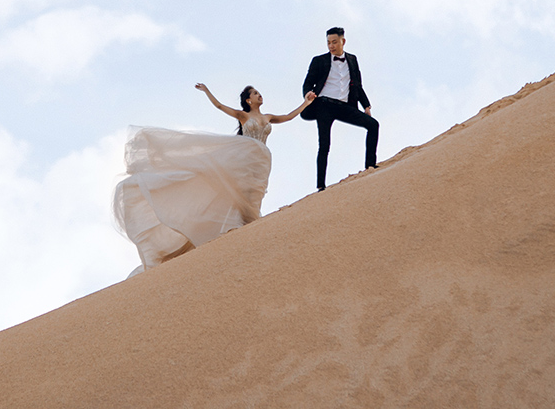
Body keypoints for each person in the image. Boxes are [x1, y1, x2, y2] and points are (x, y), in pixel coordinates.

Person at [113, 84, 315, 274]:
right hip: (246, 156)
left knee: (256, 191)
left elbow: (288, 117)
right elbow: (219, 106)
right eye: (254, 93)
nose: (259, 95)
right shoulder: (243, 115)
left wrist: (306, 102)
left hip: (262, 159)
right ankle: (242, 226)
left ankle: (249, 222)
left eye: (258, 92)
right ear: (247, 100)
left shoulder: (268, 116)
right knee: (238, 189)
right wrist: (206, 90)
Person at [300, 27, 379, 190]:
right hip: (324, 105)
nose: (331, 46)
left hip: (344, 106)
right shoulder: (319, 60)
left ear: (343, 41)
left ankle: (370, 167)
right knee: (324, 144)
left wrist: (366, 105)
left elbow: (358, 85)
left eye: (334, 42)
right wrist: (308, 93)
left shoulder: (352, 59)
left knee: (373, 125)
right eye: (328, 43)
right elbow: (308, 83)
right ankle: (321, 186)